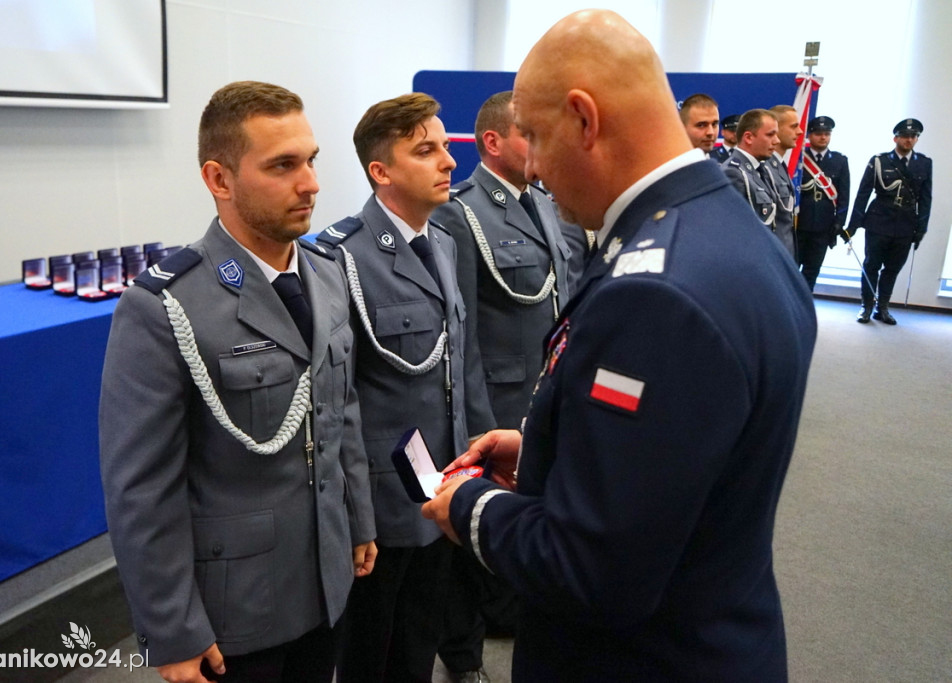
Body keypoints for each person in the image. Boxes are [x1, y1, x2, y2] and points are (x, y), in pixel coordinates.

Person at [422, 9, 817, 682]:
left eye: (540, 139)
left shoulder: (655, 292)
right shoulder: (733, 233)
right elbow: (679, 453)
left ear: (585, 118)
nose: (538, 169)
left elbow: (592, 571)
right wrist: (549, 450)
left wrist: (468, 503)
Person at [99, 81, 377, 683]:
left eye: (311, 161)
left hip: (325, 578)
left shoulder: (326, 274)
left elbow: (340, 411)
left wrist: (358, 520)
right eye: (283, 166)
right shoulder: (165, 306)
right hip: (235, 608)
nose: (311, 184)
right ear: (219, 180)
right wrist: (171, 630)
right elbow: (141, 490)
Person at [316, 93, 496, 683]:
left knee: (419, 639)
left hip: (439, 484)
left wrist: (471, 467)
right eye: (427, 150)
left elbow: (456, 371)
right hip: (381, 501)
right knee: (371, 649)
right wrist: (355, 515)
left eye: (445, 147)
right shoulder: (339, 258)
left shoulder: (441, 243)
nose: (448, 161)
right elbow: (335, 401)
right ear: (381, 171)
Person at [430, 90, 576, 683]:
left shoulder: (542, 202)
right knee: (468, 542)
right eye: (527, 133)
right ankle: (462, 660)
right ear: (492, 143)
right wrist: (474, 422)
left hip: (541, 399)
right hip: (495, 405)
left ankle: (509, 621)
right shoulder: (461, 213)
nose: (539, 144)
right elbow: (459, 331)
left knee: (525, 527)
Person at [847, 118, 932, 324]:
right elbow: (863, 194)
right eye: (904, 136)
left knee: (893, 268)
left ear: (916, 139)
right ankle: (866, 306)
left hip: (905, 224)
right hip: (879, 221)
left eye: (913, 137)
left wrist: (922, 227)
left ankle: (882, 307)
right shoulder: (880, 161)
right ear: (896, 138)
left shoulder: (924, 163)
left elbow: (926, 198)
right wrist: (853, 226)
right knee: (871, 265)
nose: (909, 140)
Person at [798, 115, 850, 290]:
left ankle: (805, 307)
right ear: (810, 135)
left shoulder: (839, 160)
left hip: (824, 225)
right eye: (819, 133)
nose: (823, 137)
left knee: (812, 270)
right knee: (791, 268)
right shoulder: (798, 159)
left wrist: (839, 223)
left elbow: (844, 196)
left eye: (827, 133)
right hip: (799, 224)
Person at [722, 109, 782, 242]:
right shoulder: (734, 172)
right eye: (770, 134)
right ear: (748, 137)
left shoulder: (761, 169)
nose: (777, 141)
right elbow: (732, 229)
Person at [763, 104, 802, 260]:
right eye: (793, 126)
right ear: (776, 129)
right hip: (771, 255)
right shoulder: (765, 168)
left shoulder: (778, 165)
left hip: (782, 253)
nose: (799, 132)